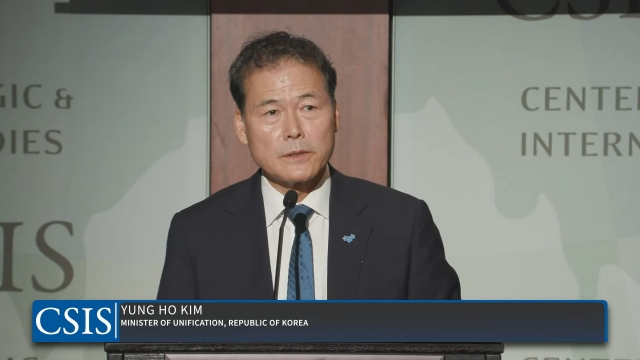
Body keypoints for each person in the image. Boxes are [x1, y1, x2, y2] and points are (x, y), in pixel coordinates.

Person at [157, 31, 460, 300]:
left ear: (336, 114)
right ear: (241, 126)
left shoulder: (403, 223)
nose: (293, 130)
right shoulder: (197, 233)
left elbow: (453, 343)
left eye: (309, 107)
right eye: (272, 112)